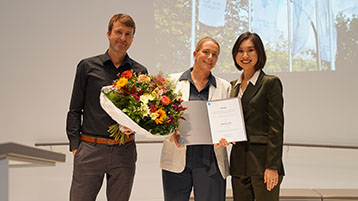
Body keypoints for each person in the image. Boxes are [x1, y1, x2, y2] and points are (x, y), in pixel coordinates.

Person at [66, 13, 148, 201]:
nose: (123, 38)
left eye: (128, 34)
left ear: (133, 38)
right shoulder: (87, 66)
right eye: (119, 32)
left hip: (124, 150)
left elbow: (143, 115)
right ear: (108, 34)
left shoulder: (139, 72)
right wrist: (76, 147)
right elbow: (74, 110)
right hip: (90, 149)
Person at [160, 37, 231, 201]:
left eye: (215, 54)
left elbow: (228, 121)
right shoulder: (171, 82)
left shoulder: (225, 87)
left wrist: (227, 136)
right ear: (195, 53)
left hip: (212, 159)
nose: (210, 57)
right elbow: (159, 118)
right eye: (206, 52)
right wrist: (170, 133)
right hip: (177, 156)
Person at [229, 31, 285, 201]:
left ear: (259, 53)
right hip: (239, 164)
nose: (245, 55)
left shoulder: (270, 82)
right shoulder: (233, 86)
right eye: (240, 51)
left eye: (250, 50)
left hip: (263, 164)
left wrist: (272, 166)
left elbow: (276, 128)